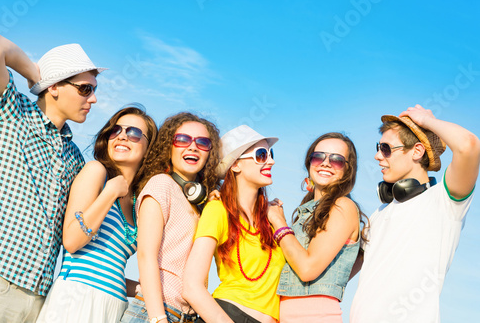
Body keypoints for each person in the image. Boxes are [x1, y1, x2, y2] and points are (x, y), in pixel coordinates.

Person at [0, 30, 106, 322]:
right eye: (85, 89)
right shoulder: (12, 113)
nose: (94, 99)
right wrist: (36, 76)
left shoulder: (75, 157)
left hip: (40, 296)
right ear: (54, 88)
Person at [350, 104, 480, 322]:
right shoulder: (379, 214)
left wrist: (427, 121)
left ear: (417, 151)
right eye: (378, 147)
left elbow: (470, 145)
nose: (377, 156)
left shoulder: (445, 202)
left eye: (386, 148)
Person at [35, 106, 157, 322]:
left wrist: (138, 287)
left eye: (134, 133)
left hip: (114, 306)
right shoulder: (96, 172)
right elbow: (72, 241)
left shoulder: (140, 201)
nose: (122, 136)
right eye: (116, 130)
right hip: (76, 299)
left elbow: (108, 268)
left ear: (149, 148)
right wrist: (109, 193)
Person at [120, 112, 221, 323]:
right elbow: (146, 256)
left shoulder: (200, 203)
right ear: (169, 147)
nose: (192, 147)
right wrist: (158, 318)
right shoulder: (161, 185)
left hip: (185, 317)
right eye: (182, 139)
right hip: (155, 313)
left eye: (202, 143)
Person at [183, 125, 286, 323]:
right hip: (227, 315)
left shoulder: (273, 218)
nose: (271, 161)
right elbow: (191, 287)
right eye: (261, 155)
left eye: (270, 154)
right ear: (236, 165)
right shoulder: (217, 210)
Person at [266, 132, 366, 322]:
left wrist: (279, 223)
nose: (326, 163)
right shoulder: (305, 214)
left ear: (348, 170)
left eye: (336, 160)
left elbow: (307, 269)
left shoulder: (342, 206)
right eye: (318, 156)